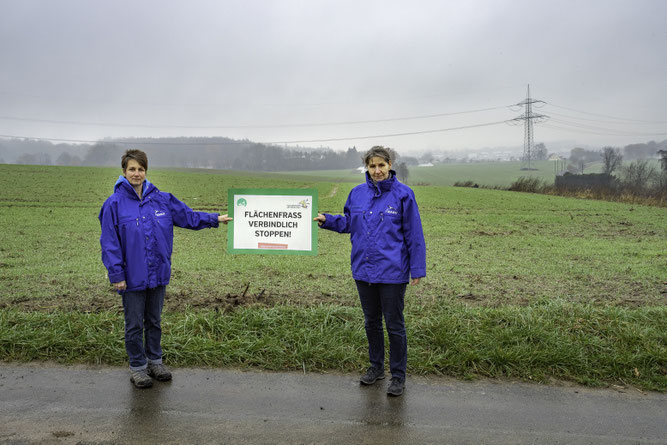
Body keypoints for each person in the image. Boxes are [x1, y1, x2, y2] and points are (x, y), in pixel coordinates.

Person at [99, 149, 231, 389]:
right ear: (124, 172)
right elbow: (109, 242)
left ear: (146, 171)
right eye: (132, 169)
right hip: (131, 276)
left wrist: (215, 219)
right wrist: (116, 274)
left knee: (154, 320)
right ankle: (138, 367)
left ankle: (155, 361)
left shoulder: (161, 199)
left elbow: (188, 217)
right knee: (134, 324)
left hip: (158, 273)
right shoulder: (114, 204)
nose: (136, 173)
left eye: (140, 169)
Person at [314, 146, 426, 397]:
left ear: (390, 165)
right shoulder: (356, 194)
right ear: (367, 167)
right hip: (363, 270)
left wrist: (417, 268)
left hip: (393, 272)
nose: (377, 171)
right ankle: (376, 368)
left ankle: (398, 375)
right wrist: (326, 220)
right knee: (371, 322)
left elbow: (414, 235)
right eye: (372, 166)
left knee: (394, 325)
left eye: (381, 166)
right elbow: (347, 223)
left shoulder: (404, 195)